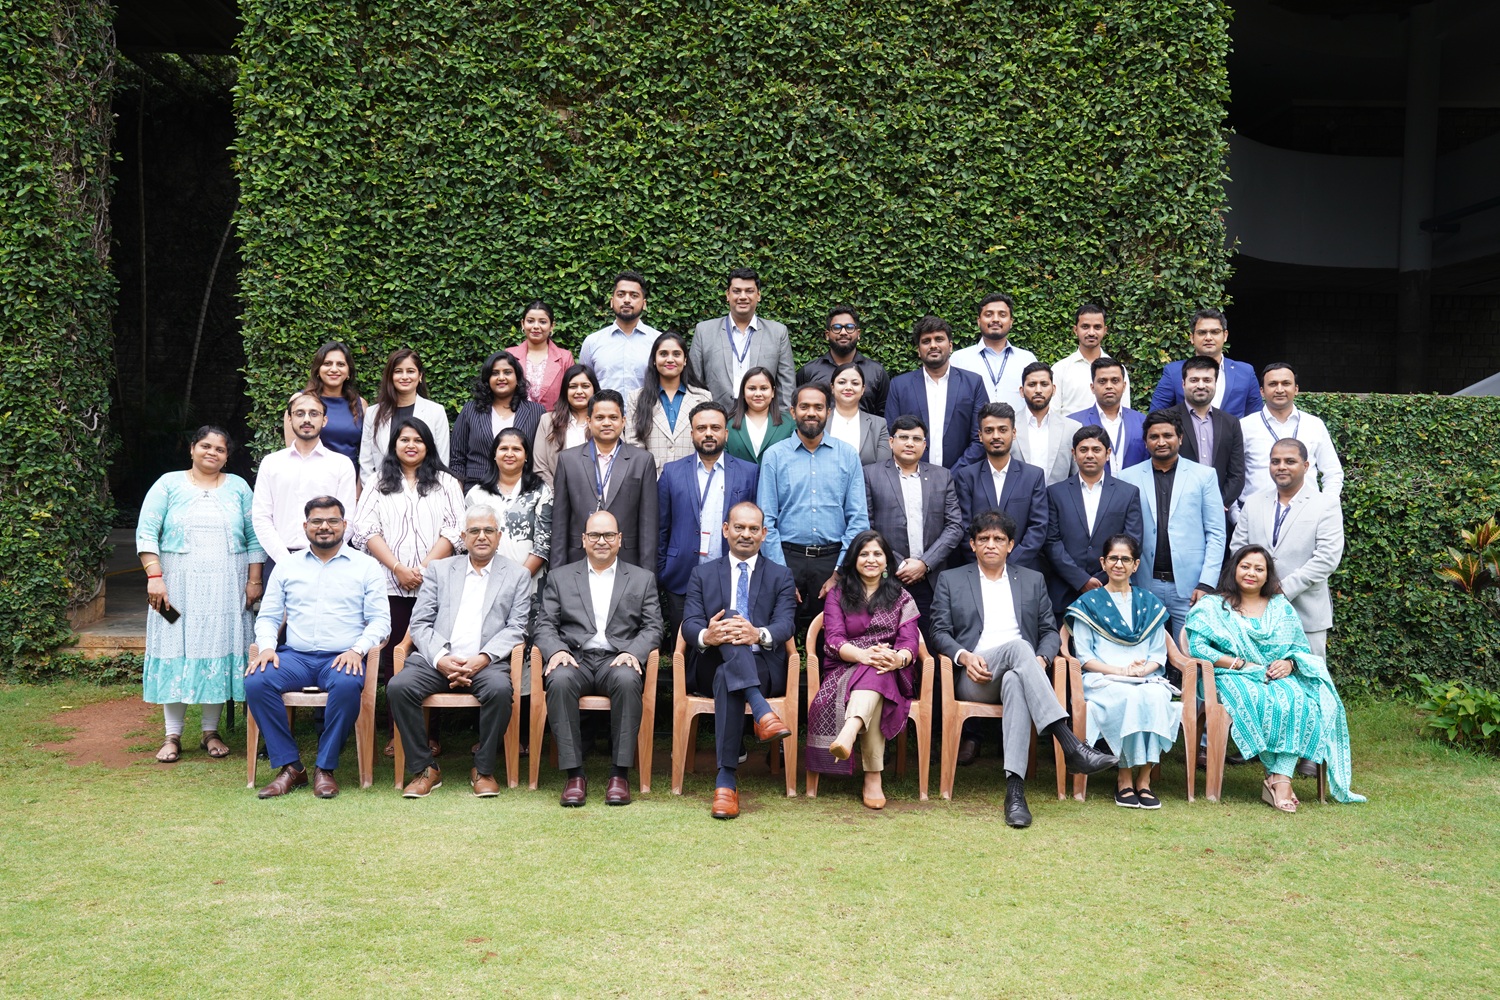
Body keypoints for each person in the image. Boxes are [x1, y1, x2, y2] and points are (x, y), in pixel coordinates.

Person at [930, 511, 1118, 827]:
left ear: (1011, 545)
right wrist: (963, 657)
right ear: (973, 544)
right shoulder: (952, 579)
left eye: (998, 539)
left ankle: (1015, 794)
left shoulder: (1032, 580)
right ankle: (1070, 743)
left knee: (1018, 676)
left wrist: (1041, 660)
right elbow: (938, 631)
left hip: (1021, 670)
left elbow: (1048, 631)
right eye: (984, 539)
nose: (991, 545)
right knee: (1020, 648)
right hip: (976, 676)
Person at [1187, 545, 1365, 808]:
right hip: (1232, 675)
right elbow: (1198, 647)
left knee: (1299, 700)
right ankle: (1281, 782)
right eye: (1245, 566)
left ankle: (1279, 778)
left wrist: (1290, 664)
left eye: (1259, 569)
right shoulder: (1215, 605)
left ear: (1268, 575)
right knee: (1255, 698)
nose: (1251, 573)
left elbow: (1298, 648)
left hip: (1275, 674)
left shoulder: (1280, 606)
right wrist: (1238, 663)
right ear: (1234, 569)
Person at [246, 496, 390, 799]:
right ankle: (291, 767)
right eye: (317, 521)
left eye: (332, 521)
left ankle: (325, 768)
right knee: (256, 681)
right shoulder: (287, 566)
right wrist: (268, 647)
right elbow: (269, 616)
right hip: (295, 657)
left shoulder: (366, 567)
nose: (325, 527)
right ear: (305, 526)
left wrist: (358, 650)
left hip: (342, 656)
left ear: (344, 525)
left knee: (348, 684)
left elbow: (380, 622)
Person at [388, 504, 534, 798]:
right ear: (464, 537)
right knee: (398, 687)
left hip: (487, 663)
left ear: (499, 535)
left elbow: (517, 627)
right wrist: (442, 659)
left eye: (489, 530)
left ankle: (483, 769)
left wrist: (482, 659)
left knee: (500, 691)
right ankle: (425, 768)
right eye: (475, 531)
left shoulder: (517, 575)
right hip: (436, 661)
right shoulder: (440, 570)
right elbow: (419, 622)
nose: (482, 536)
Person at [137, 426, 264, 763]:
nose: (212, 453)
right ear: (192, 448)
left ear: (227, 456)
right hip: (175, 587)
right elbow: (147, 531)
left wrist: (254, 581)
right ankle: (172, 735)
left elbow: (254, 537)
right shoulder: (168, 484)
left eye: (220, 449)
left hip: (226, 588)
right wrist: (155, 577)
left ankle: (211, 731)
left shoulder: (238, 487)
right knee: (174, 645)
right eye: (205, 446)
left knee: (218, 647)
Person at [350, 416, 465, 749]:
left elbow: (456, 530)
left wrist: (425, 568)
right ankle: (397, 734)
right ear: (394, 446)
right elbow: (364, 529)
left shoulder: (445, 482)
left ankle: (431, 734)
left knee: (436, 654)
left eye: (418, 439)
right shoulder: (376, 482)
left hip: (437, 585)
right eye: (404, 440)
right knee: (392, 657)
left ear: (427, 445)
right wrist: (398, 567)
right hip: (389, 583)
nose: (411, 445)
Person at [535, 511, 663, 807]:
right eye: (594, 535)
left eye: (608, 535)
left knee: (628, 679)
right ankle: (574, 776)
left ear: (620, 540)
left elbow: (654, 626)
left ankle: (619, 775)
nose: (601, 541)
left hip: (617, 659)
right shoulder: (560, 577)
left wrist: (633, 652)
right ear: (583, 540)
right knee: (560, 679)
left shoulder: (642, 579)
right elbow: (544, 624)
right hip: (574, 657)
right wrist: (557, 651)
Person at [680, 501, 798, 819]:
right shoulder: (702, 574)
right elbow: (690, 623)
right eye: (739, 527)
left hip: (762, 664)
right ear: (725, 530)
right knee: (730, 620)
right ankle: (762, 711)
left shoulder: (781, 575)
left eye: (753, 529)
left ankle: (725, 781)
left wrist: (757, 634)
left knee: (726, 677)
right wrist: (710, 635)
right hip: (710, 661)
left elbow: (786, 624)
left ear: (764, 534)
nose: (746, 534)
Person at [1063, 534, 1180, 809]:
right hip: (1102, 678)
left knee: (1154, 697)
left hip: (1144, 677)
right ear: (1103, 563)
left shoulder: (1148, 603)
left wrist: (1141, 672)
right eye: (1113, 558)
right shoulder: (1088, 605)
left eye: (1125, 559)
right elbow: (1085, 657)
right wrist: (1120, 671)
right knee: (1129, 698)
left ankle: (1145, 780)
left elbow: (1157, 655)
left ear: (1136, 564)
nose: (1119, 564)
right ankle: (1125, 778)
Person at [806, 531, 921, 810]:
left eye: (877, 554)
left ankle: (849, 732)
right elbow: (833, 639)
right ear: (854, 559)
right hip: (845, 665)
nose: (871, 560)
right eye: (864, 554)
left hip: (890, 667)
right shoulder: (839, 594)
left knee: (878, 672)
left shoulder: (902, 597)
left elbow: (909, 642)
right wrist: (864, 655)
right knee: (874, 673)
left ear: (886, 561)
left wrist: (898, 659)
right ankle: (873, 776)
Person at [757, 382, 871, 637]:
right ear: (793, 411)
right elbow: (766, 522)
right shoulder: (774, 456)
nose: (811, 413)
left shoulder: (847, 455)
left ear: (828, 412)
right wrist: (782, 575)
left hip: (833, 560)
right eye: (804, 406)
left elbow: (858, 519)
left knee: (833, 640)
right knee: (778, 639)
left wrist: (839, 572)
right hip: (786, 559)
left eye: (818, 407)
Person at [657, 402, 759, 650]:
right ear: (691, 433)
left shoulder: (749, 472)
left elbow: (756, 524)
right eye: (701, 428)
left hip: (731, 572)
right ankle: (685, 688)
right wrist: (662, 570)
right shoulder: (671, 472)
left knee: (729, 644)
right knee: (685, 646)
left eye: (715, 427)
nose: (709, 433)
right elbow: (661, 527)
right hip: (682, 574)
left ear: (726, 433)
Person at [1231, 440, 1344, 659]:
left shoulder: (1325, 504)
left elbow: (1327, 558)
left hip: (1305, 610)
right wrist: (1255, 588)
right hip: (1255, 611)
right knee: (1263, 679)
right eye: (1275, 461)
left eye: (1290, 461)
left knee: (1309, 678)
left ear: (1306, 466)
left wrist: (1282, 588)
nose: (1281, 466)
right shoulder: (1253, 502)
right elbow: (1238, 549)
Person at [1118, 410, 1226, 639]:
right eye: (1154, 436)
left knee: (1189, 660)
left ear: (1180, 438)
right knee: (1144, 656)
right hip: (1143, 584)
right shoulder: (1127, 477)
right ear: (1146, 442)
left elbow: (1216, 533)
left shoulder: (1204, 476)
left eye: (1167, 435)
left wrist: (1206, 583)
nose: (1161, 441)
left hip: (1190, 587)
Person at [863, 415, 964, 625]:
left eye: (917, 439)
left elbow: (955, 526)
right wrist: (899, 564)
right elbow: (866, 526)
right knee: (888, 643)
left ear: (924, 445)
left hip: (932, 578)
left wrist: (925, 563)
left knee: (930, 643)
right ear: (891, 441)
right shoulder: (871, 475)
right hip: (888, 576)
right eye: (904, 437)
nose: (910, 443)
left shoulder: (942, 476)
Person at [252, 392, 357, 580]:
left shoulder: (341, 464)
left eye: (314, 414)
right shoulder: (271, 463)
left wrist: (323, 556)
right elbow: (261, 518)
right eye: (300, 413)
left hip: (329, 563)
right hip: (280, 562)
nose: (307, 419)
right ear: (290, 419)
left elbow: (347, 517)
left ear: (324, 420)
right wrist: (285, 560)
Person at [551, 389, 658, 570]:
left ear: (623, 421)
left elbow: (648, 526)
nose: (607, 423)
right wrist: (556, 574)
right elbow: (560, 523)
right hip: (578, 559)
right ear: (589, 421)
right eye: (600, 418)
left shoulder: (642, 461)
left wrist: (648, 577)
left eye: (613, 418)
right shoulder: (568, 460)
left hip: (627, 560)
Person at [1042, 424, 1145, 614]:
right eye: (1083, 450)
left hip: (1112, 588)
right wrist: (1080, 580)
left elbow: (1133, 541)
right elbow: (1051, 542)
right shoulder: (1055, 493)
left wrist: (1103, 578)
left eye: (1096, 449)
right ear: (1074, 453)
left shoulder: (1127, 493)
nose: (1089, 455)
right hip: (1065, 590)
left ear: (1107, 453)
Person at [465, 427, 553, 640]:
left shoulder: (541, 491)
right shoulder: (477, 494)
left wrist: (517, 580)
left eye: (516, 449)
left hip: (529, 581)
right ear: (494, 455)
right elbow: (469, 541)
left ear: (526, 457)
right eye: (504, 448)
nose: (510, 453)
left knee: (527, 640)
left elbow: (544, 543)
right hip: (485, 581)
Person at [952, 402, 1048, 572]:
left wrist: (1008, 565)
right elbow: (963, 527)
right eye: (989, 431)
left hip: (1022, 570)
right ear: (980, 436)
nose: (996, 436)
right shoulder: (966, 476)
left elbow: (1038, 527)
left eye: (1003, 430)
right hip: (976, 570)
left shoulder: (1033, 476)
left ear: (1014, 433)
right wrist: (985, 563)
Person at [883, 315, 986, 471]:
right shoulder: (899, 385)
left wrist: (953, 475)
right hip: (911, 479)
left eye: (939, 339)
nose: (933, 345)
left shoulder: (973, 383)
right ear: (918, 350)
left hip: (962, 480)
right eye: (926, 341)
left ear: (950, 346)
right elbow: (892, 436)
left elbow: (981, 437)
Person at [691, 268, 796, 414]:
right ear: (727, 295)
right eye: (736, 291)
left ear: (758, 295)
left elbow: (786, 385)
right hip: (716, 420)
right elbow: (694, 382)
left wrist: (785, 423)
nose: (743, 296)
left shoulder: (778, 332)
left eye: (749, 291)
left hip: (764, 420)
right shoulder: (704, 331)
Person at [1239, 362, 1344, 503]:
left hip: (1307, 513)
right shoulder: (1245, 426)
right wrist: (1237, 516)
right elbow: (1233, 475)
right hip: (1257, 515)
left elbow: (1332, 472)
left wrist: (1326, 507)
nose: (1280, 389)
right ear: (1262, 391)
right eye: (1273, 384)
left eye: (1286, 383)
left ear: (1296, 389)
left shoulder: (1314, 425)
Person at [450, 351, 547, 492]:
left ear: (517, 377)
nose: (501, 378)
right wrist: (458, 493)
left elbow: (541, 459)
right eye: (495, 373)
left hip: (522, 492)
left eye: (507, 372)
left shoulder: (536, 412)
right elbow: (457, 457)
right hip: (476, 490)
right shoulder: (470, 410)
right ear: (487, 378)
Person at [1169, 356, 1246, 529]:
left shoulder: (1231, 423)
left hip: (1219, 512)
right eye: (1194, 380)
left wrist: (1217, 503)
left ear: (1215, 384)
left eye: (1207, 380)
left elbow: (1237, 473)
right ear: (1183, 384)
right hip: (1176, 513)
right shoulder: (1168, 420)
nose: (1201, 385)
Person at [358, 347, 451, 488]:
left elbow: (442, 459)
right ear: (390, 377)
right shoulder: (373, 413)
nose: (404, 376)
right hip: (383, 492)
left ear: (420, 376)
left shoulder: (436, 411)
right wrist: (376, 491)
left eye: (410, 371)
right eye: (398, 371)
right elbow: (366, 462)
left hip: (426, 491)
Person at [627, 331, 714, 474]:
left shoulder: (703, 397)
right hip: (652, 479)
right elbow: (634, 444)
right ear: (654, 360)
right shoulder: (636, 398)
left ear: (685, 360)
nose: (670, 359)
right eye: (663, 354)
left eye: (676, 354)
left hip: (692, 476)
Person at [1149, 307, 1263, 417]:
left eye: (1215, 332)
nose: (1208, 337)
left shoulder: (1245, 372)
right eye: (1202, 332)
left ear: (1225, 335)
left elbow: (1256, 418)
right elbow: (1156, 416)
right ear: (1192, 338)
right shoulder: (1174, 372)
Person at [281, 341, 366, 467]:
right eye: (327, 364)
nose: (334, 369)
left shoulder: (360, 404)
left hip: (350, 480)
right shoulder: (300, 400)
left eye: (341, 364)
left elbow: (366, 454)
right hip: (311, 478)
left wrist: (358, 485)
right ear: (318, 369)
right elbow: (292, 452)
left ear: (348, 372)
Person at [951, 293, 1038, 414]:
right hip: (973, 431)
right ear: (978, 321)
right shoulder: (959, 359)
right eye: (989, 314)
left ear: (1011, 321)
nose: (995, 319)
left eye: (1002, 315)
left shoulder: (1027, 359)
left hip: (1019, 431)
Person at [578, 270, 660, 398]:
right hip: (604, 416)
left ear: (644, 304)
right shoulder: (592, 342)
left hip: (647, 416)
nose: (627, 300)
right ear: (612, 301)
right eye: (621, 295)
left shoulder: (658, 341)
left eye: (634, 295)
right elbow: (583, 383)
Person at [795, 305, 889, 415]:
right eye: (836, 327)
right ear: (827, 334)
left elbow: (884, 414)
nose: (843, 332)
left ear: (858, 334)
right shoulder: (809, 371)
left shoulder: (876, 372)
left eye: (849, 327)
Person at [1067, 357, 1148, 473]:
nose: (1109, 386)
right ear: (1092, 387)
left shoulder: (1142, 422)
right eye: (1102, 381)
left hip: (1134, 489)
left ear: (1124, 386)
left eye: (1115, 381)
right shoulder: (1073, 423)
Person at [1052, 304, 1130, 417]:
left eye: (1097, 327)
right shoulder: (1060, 369)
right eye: (1085, 327)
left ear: (1105, 330)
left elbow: (1125, 412)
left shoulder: (1117, 370)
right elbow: (1053, 414)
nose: (1091, 333)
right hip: (1071, 434)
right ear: (1075, 330)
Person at [1013, 361, 1081, 486]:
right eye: (1032, 384)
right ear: (1022, 391)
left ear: (1053, 389)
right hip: (1017, 503)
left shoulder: (1072, 428)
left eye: (1044, 384)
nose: (1038, 390)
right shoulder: (1008, 427)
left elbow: (1077, 475)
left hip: (1059, 503)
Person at [533, 364, 599, 487]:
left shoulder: (606, 421)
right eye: (573, 387)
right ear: (565, 391)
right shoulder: (547, 421)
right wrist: (559, 496)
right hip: (557, 497)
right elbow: (540, 467)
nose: (579, 391)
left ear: (594, 389)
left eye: (585, 386)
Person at [506, 299, 575, 409]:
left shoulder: (565, 358)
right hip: (515, 421)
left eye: (542, 322)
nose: (536, 326)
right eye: (530, 321)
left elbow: (572, 394)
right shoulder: (509, 355)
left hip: (553, 422)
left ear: (552, 326)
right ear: (522, 324)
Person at [724, 366, 794, 464]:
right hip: (738, 479)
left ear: (773, 392)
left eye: (764, 388)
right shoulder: (727, 423)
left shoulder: (789, 422)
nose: (758, 394)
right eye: (752, 388)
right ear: (743, 392)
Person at [827, 361, 891, 466]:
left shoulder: (879, 425)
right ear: (832, 387)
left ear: (863, 389)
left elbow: (882, 469)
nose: (848, 387)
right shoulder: (820, 422)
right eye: (842, 382)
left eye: (855, 383)